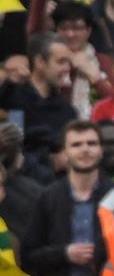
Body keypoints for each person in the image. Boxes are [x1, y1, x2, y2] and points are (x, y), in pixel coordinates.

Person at [21, 121, 113, 276]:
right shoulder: (47, 197)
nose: (85, 149)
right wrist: (65, 254)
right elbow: (28, 256)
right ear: (64, 153)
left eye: (91, 143)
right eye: (76, 144)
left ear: (101, 150)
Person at [0, 33, 76, 172]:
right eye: (61, 62)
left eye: (68, 63)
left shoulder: (67, 110)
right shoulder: (10, 95)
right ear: (40, 62)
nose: (67, 69)